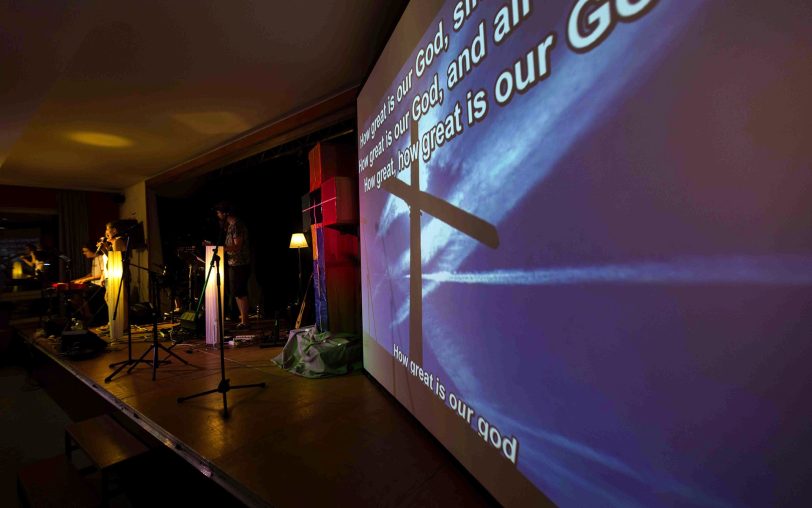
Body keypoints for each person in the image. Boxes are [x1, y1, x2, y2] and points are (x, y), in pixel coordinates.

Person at [214, 202, 251, 329]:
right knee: (236, 292)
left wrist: (220, 249)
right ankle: (243, 319)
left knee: (240, 291)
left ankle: (245, 320)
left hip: (240, 263)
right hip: (233, 263)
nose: (218, 215)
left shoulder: (237, 225)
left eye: (219, 213)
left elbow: (237, 246)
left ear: (225, 213)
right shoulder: (230, 226)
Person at [71, 241, 107, 325]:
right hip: (93, 283)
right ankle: (83, 315)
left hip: (99, 285)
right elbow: (92, 274)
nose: (84, 253)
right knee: (74, 295)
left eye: (85, 251)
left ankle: (88, 315)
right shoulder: (94, 259)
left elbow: (101, 274)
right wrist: (80, 279)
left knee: (84, 293)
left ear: (92, 250)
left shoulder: (101, 258)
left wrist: (84, 280)